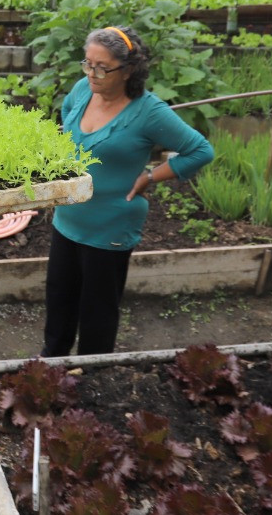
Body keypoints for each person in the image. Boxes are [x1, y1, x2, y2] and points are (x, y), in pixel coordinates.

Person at [42, 26, 213, 357]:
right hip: (67, 218)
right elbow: (67, 117)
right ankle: (50, 374)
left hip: (110, 229)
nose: (93, 73)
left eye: (102, 67)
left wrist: (150, 176)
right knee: (58, 303)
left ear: (128, 70)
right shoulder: (82, 91)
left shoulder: (148, 112)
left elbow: (200, 150)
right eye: (88, 64)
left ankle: (91, 381)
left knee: (97, 316)